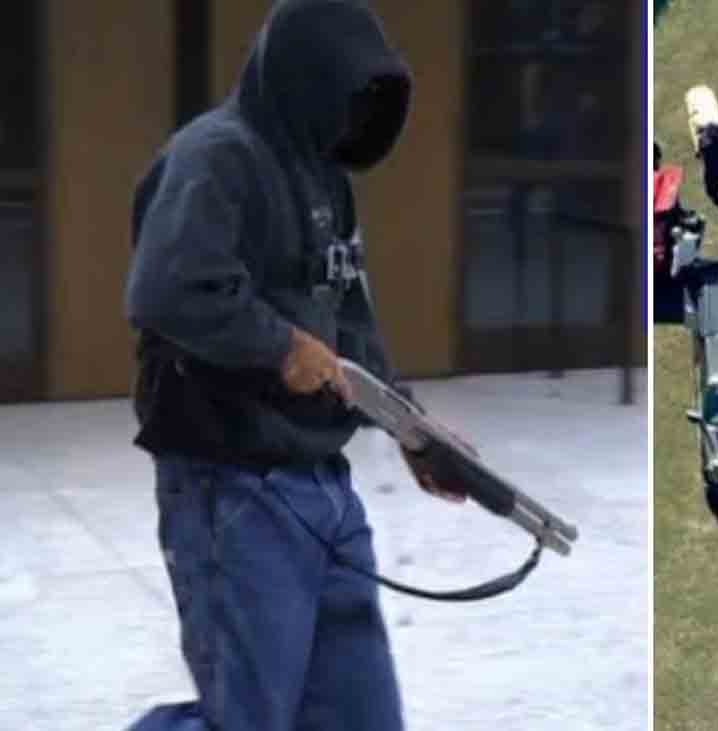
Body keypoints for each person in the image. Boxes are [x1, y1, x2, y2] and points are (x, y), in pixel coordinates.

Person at [123, 3, 465, 728]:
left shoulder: (325, 179)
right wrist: (280, 347)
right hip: (230, 485)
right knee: (245, 719)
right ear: (304, 81)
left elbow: (350, 323)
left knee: (361, 715)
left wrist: (412, 428)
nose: (354, 120)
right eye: (348, 99)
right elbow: (168, 290)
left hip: (323, 489)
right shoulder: (214, 159)